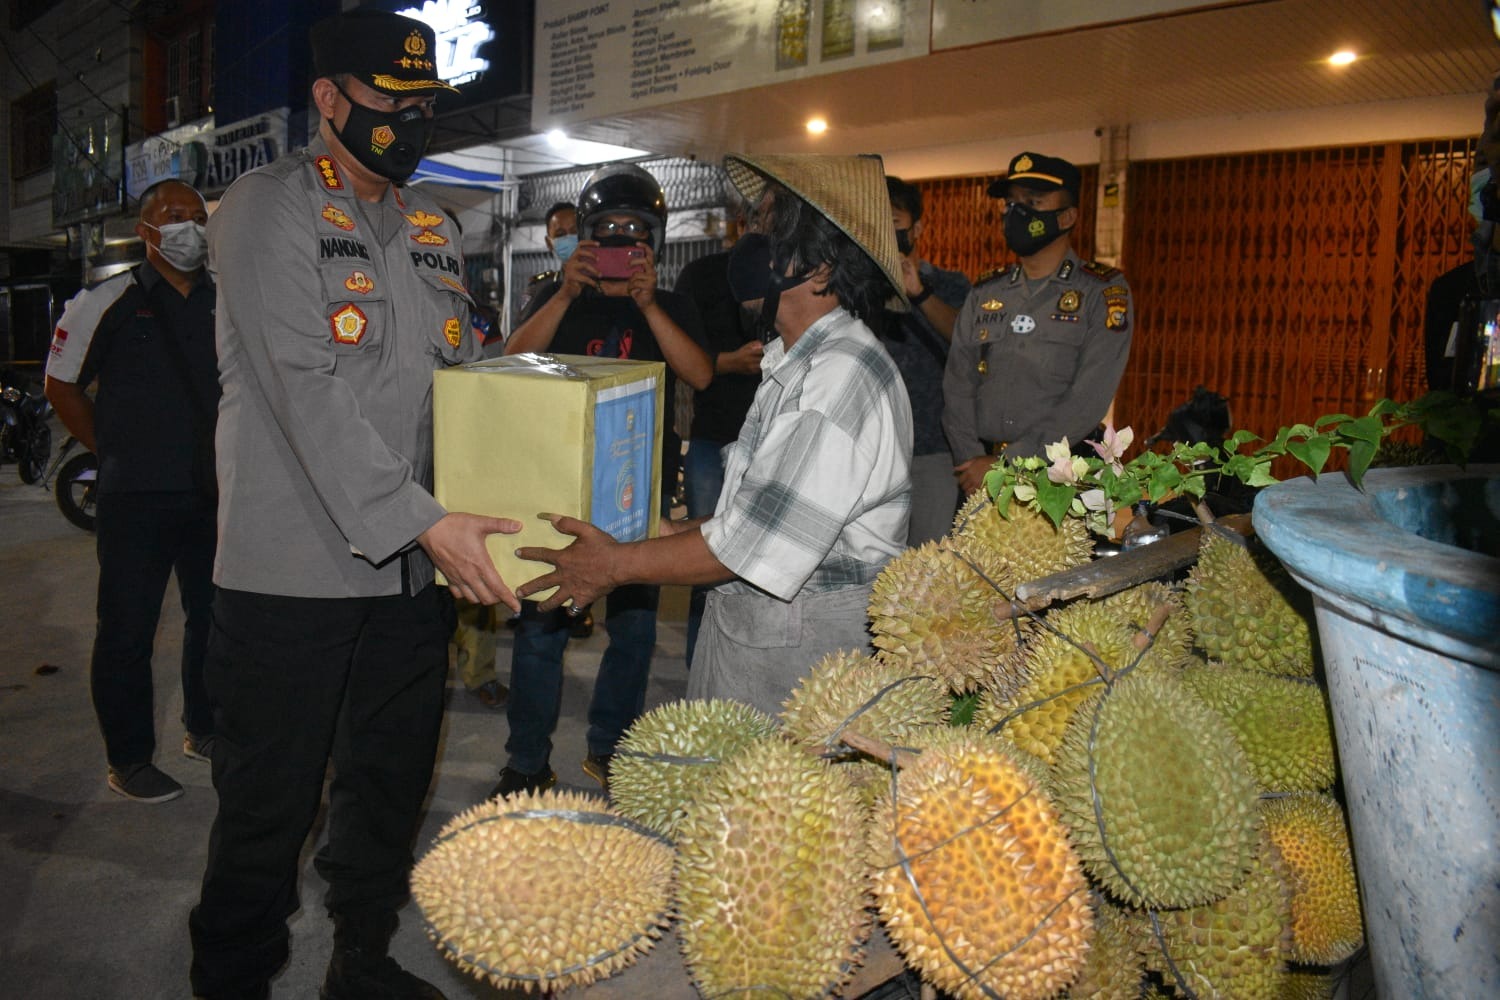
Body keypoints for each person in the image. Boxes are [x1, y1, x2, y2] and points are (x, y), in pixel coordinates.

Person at [188, 12, 521, 1000]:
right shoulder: (266, 208)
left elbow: (459, 391)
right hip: (289, 578)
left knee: (387, 788)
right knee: (269, 804)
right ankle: (234, 976)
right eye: (389, 101)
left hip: (410, 577)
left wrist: (530, 497)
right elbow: (304, 389)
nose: (410, 122)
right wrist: (425, 520)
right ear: (329, 99)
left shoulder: (434, 227)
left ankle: (361, 961)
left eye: (424, 105)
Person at [515, 152, 914, 717]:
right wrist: (667, 531)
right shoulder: (798, 364)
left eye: (766, 228)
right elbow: (758, 516)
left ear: (819, 266)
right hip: (769, 643)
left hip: (802, 669)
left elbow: (749, 546)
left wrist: (612, 565)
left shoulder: (836, 379)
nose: (746, 243)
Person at [497, 162, 711, 796]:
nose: (620, 240)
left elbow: (700, 375)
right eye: (607, 229)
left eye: (633, 230)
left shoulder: (671, 305)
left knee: (635, 631)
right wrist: (565, 294)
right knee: (540, 629)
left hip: (638, 490)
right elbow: (510, 359)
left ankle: (610, 748)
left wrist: (648, 304)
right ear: (586, 238)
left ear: (655, 241)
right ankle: (526, 760)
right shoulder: (558, 296)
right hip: (558, 487)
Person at [44, 178, 217, 805]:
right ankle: (129, 760)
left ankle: (205, 729)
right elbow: (61, 384)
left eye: (197, 216)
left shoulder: (224, 300)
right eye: (174, 215)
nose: (189, 226)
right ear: (146, 230)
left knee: (214, 621)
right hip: (135, 500)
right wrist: (110, 449)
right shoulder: (108, 300)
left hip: (210, 495)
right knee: (126, 632)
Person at [943, 152, 1134, 496]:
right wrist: (971, 461)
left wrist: (1007, 464)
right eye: (1010, 203)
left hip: (1056, 475)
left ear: (1067, 216)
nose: (1016, 212)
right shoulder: (986, 291)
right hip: (977, 473)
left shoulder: (1100, 292)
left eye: (1033, 202)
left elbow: (1087, 399)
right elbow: (957, 384)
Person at [672, 197, 762, 666]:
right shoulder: (701, 275)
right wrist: (729, 362)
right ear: (739, 223)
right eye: (757, 218)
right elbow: (681, 354)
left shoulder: (786, 277)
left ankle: (745, 669)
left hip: (772, 439)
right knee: (704, 562)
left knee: (762, 562)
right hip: (714, 435)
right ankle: (700, 671)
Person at [879, 175, 971, 544]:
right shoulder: (859, 289)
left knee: (928, 561)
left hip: (933, 449)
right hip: (875, 450)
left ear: (917, 228)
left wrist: (919, 293)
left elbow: (966, 341)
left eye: (895, 222)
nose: (887, 233)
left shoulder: (951, 285)